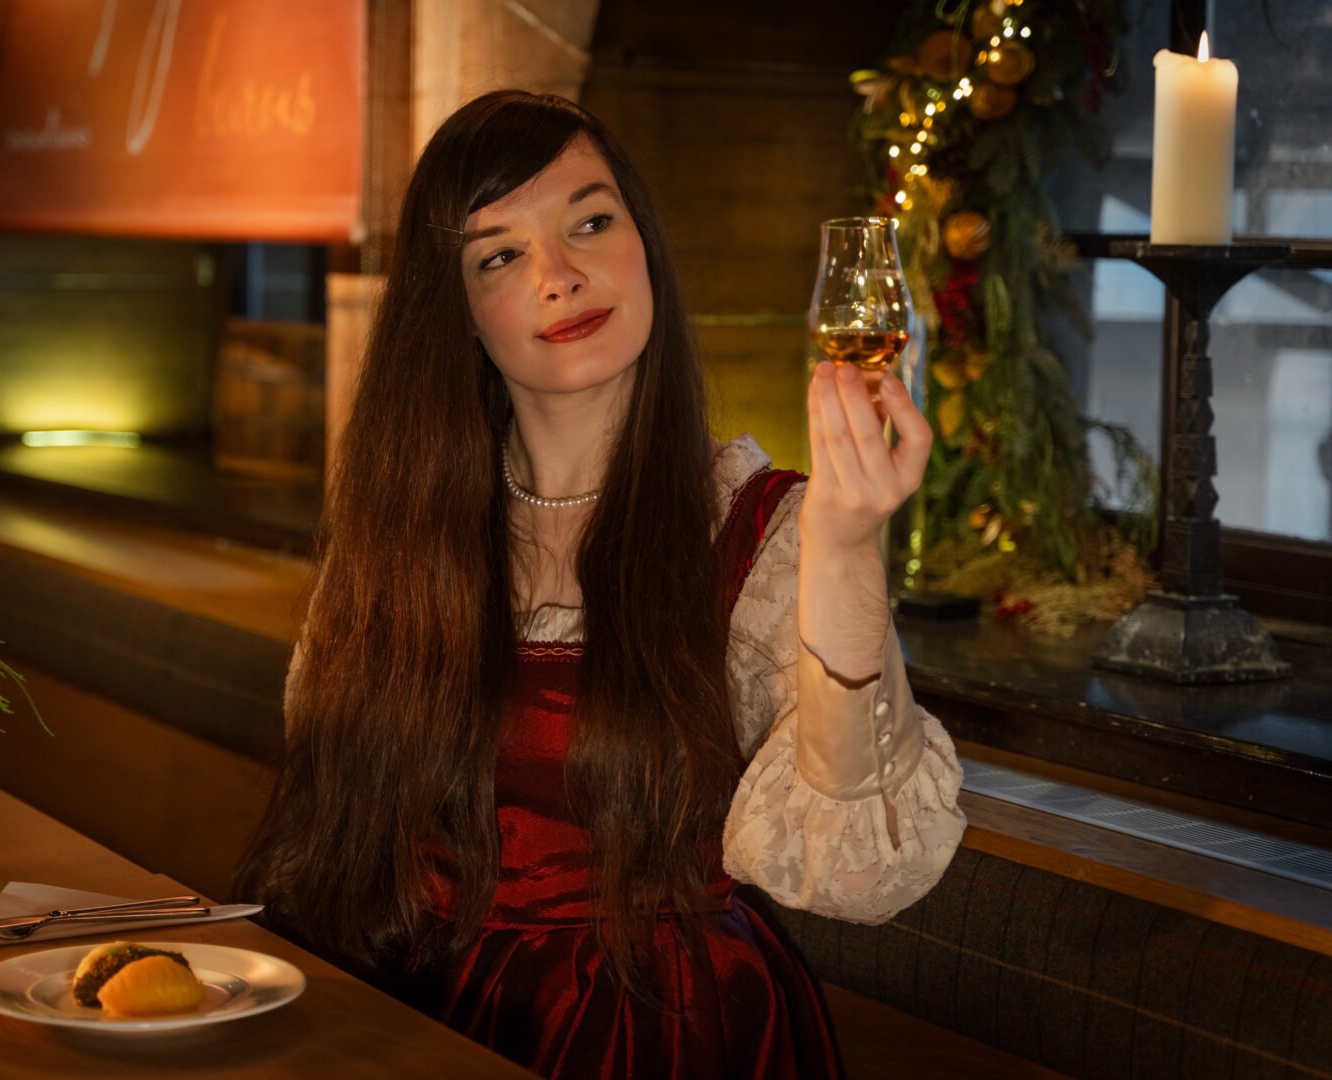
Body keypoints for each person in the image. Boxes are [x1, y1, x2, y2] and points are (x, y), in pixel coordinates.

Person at [236, 90, 966, 1079]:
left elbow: (860, 877)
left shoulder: (763, 528)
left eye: (590, 221)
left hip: (668, 1034)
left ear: (646, 244)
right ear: (455, 312)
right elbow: (330, 824)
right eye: (501, 254)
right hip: (418, 1016)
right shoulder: (400, 529)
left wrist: (846, 544)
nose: (561, 275)